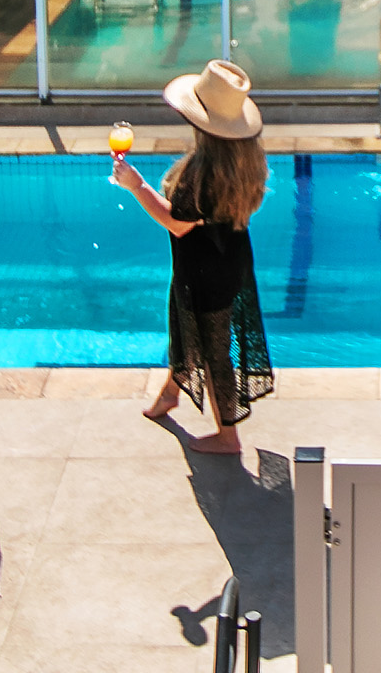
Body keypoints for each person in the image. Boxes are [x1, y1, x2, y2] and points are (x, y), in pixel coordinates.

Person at [113, 57, 276, 453]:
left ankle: (228, 436)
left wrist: (135, 185)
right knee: (191, 333)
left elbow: (177, 223)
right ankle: (170, 393)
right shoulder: (243, 163)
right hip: (229, 262)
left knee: (214, 349)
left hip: (204, 271)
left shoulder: (202, 174)